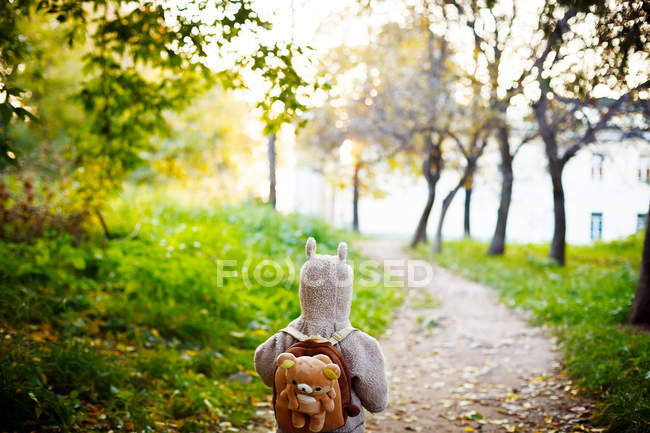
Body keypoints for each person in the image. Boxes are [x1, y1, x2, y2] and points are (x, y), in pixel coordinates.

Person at [254, 237, 389, 433]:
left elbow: (266, 372)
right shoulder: (358, 343)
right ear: (346, 291)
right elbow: (377, 402)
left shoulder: (286, 336)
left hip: (291, 425)